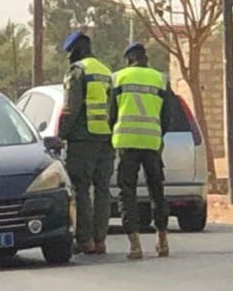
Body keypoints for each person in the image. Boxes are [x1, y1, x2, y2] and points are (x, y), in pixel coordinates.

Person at [109, 42, 171, 260]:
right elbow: (167, 116)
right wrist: (157, 135)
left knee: (127, 194)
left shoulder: (118, 78)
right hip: (152, 143)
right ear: (146, 58)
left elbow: (111, 115)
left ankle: (135, 245)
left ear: (129, 59)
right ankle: (162, 241)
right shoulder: (160, 78)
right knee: (157, 191)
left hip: (126, 143)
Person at [59, 30, 115, 255]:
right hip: (106, 138)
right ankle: (100, 241)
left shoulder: (78, 72)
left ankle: (84, 241)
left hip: (83, 139)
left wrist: (60, 134)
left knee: (81, 189)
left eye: (70, 52)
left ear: (79, 49)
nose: (68, 57)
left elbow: (71, 108)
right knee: (102, 190)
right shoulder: (106, 71)